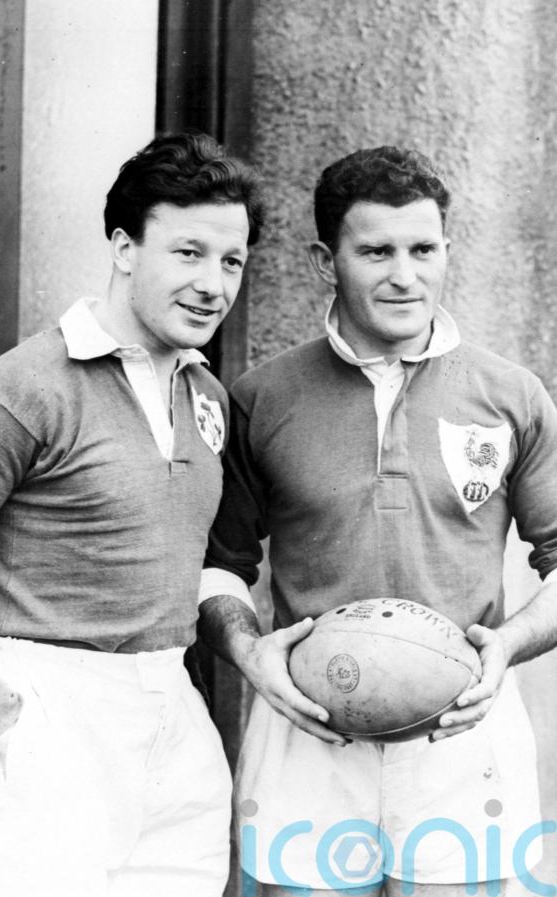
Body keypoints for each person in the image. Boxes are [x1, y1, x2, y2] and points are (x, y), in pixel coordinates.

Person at [199, 146, 557, 896]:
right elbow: (219, 565)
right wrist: (249, 652)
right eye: (376, 252)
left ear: (447, 250)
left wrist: (508, 645)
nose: (404, 275)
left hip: (464, 738)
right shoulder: (262, 397)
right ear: (325, 261)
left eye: (423, 249)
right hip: (309, 735)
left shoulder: (511, 394)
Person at [0, 131, 264, 897]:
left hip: (173, 714)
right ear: (124, 247)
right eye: (188, 252)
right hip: (43, 707)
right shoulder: (19, 390)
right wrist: (7, 727)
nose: (212, 284)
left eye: (231, 261)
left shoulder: (207, 397)